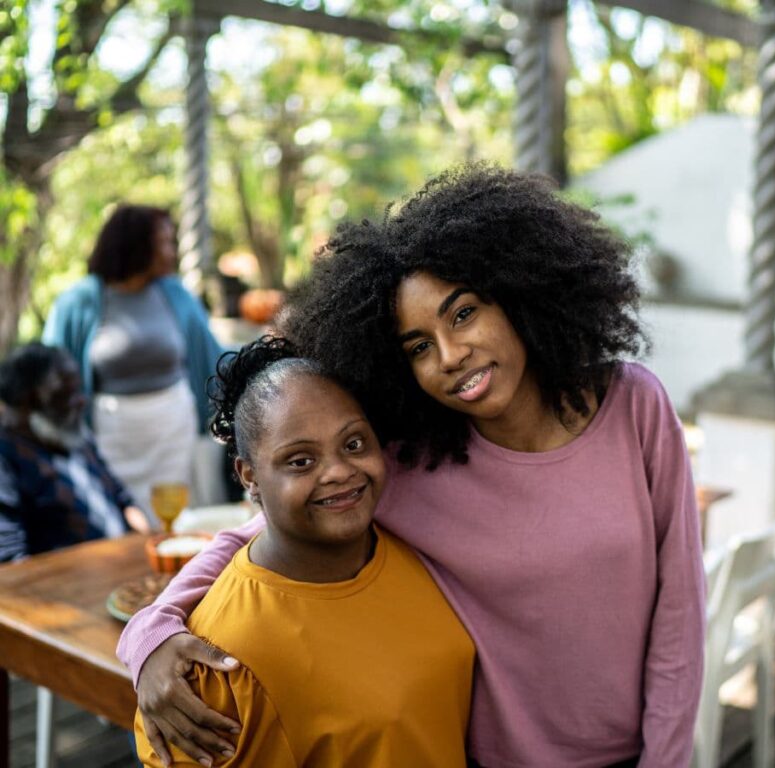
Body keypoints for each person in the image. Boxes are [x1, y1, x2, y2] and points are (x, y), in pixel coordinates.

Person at [119, 166, 706, 768]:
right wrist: (150, 633)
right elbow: (249, 538)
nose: (451, 355)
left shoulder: (633, 405)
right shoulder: (411, 461)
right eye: (419, 347)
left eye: (464, 314)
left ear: (517, 295)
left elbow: (680, 608)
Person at [133, 336, 474, 767]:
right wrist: (148, 634)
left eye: (354, 444)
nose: (339, 472)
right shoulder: (220, 659)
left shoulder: (408, 540)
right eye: (300, 461)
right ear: (249, 476)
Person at [43, 204, 224, 523]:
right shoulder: (79, 302)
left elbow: (213, 356)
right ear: (137, 246)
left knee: (178, 517)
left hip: (173, 430)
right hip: (113, 435)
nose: (172, 252)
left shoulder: (176, 294)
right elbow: (50, 371)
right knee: (120, 518)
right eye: (164, 243)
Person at [0, 343, 149, 561]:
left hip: (123, 563)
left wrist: (146, 541)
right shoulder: (6, 455)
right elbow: (10, 558)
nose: (80, 401)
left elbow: (120, 497)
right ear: (27, 401)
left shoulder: (71, 431)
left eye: (78, 390)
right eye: (65, 394)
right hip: (67, 578)